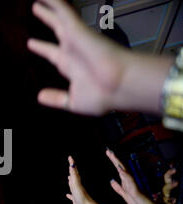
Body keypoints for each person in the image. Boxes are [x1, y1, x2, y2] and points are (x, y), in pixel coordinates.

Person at [27, 0, 182, 131]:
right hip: (114, 49)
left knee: (106, 27)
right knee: (107, 27)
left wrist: (123, 77)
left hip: (113, 50)